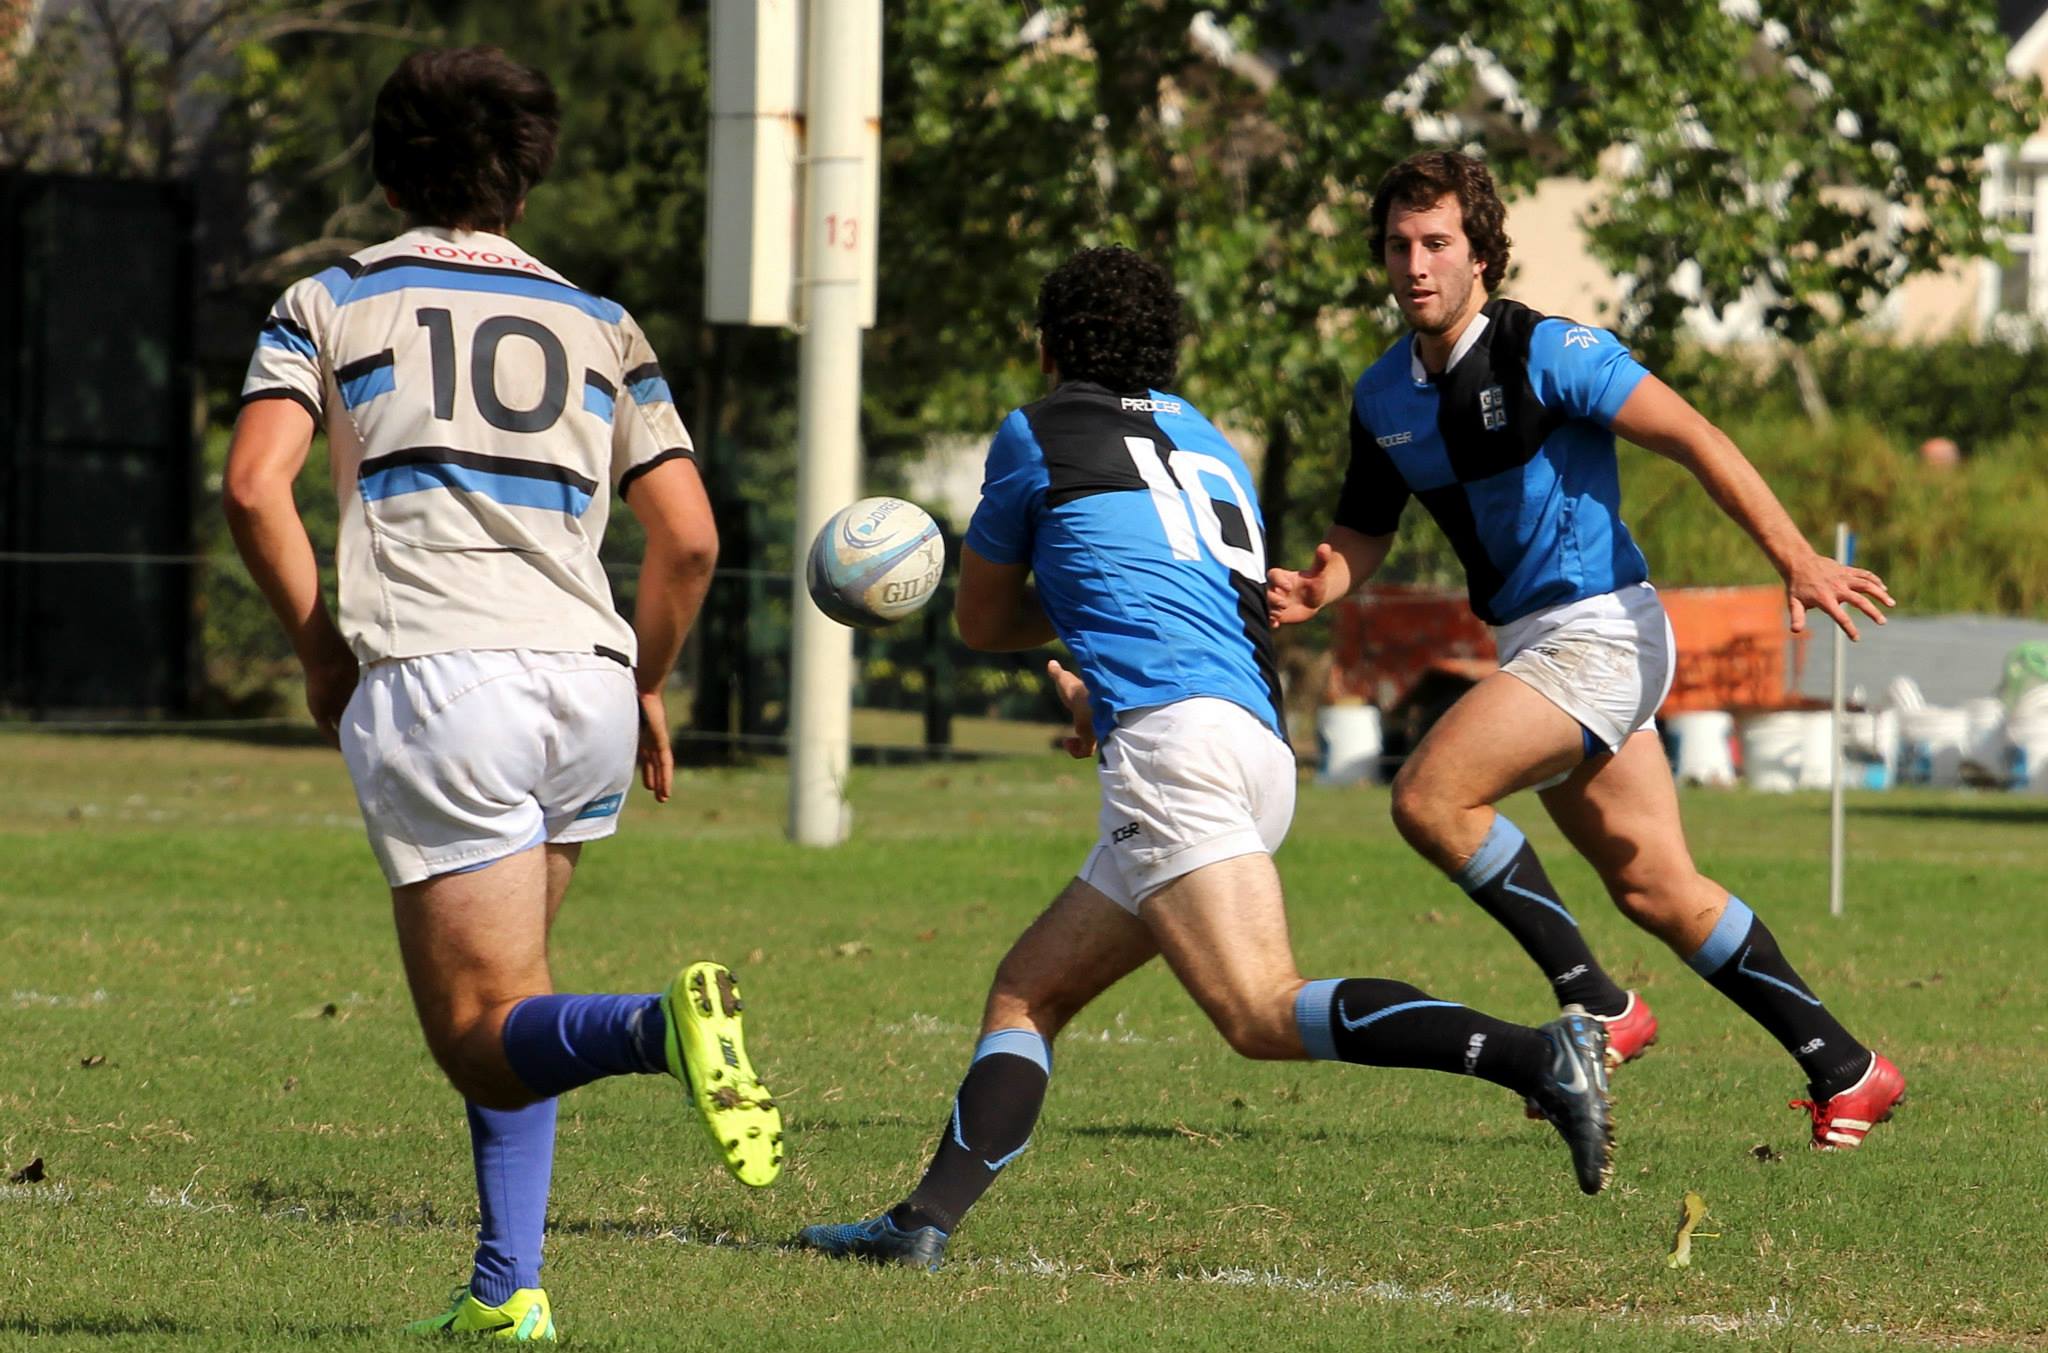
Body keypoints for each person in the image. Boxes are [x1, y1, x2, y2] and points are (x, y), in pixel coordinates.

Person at [795, 246, 1617, 1273]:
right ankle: (921, 1225)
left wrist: (1062, 646)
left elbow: (982, 618)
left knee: (1259, 1011)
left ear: (1047, 348)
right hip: (1249, 740)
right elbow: (1175, 598)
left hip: (1173, 749)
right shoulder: (1206, 439)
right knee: (1028, 990)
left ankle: (1537, 1056)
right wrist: (1099, 672)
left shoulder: (1034, 433)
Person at [222, 47, 780, 1339]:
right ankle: (506, 1291)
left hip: (439, 674)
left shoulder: (330, 299)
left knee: (477, 1034)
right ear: (526, 183)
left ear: (385, 166)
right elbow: (688, 539)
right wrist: (642, 682)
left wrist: (320, 649)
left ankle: (659, 1033)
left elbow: (256, 488)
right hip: (584, 682)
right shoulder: (601, 320)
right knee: (516, 996)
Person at [1266, 150, 1904, 1151]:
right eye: (1397, 245)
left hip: (1602, 629)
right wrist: (1317, 585)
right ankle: (1845, 1066)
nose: (1415, 263)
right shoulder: (1381, 395)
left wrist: (1793, 557)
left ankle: (1597, 1010)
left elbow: (1695, 436)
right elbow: (1359, 531)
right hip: (1534, 644)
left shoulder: (1548, 351)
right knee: (1657, 888)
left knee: (1431, 800)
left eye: (1436, 242)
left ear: (1480, 251)